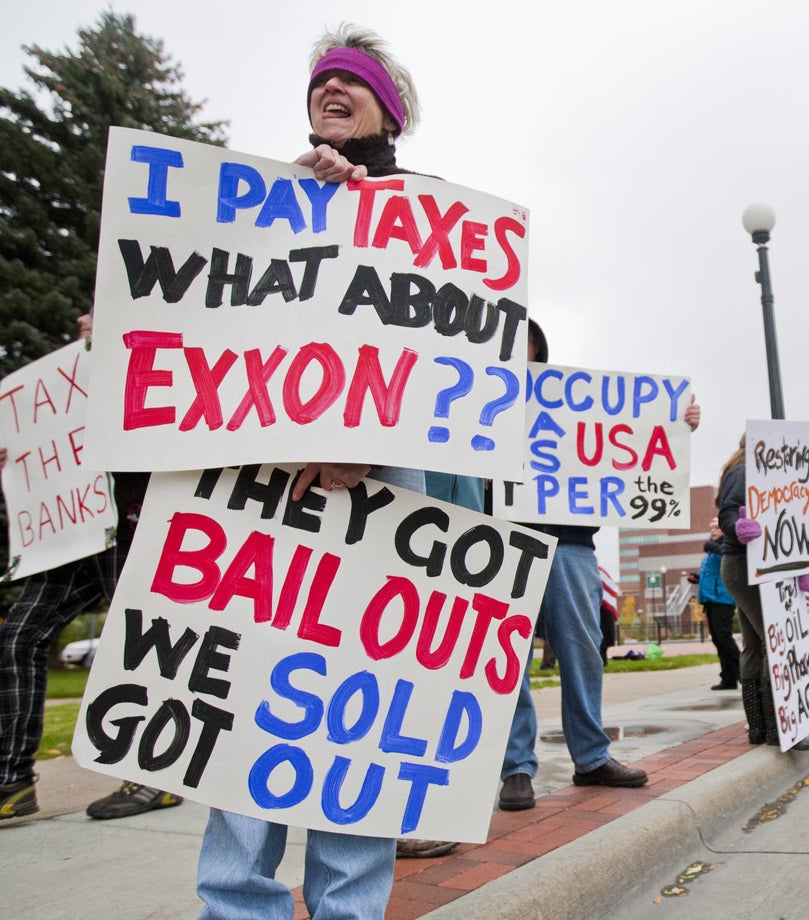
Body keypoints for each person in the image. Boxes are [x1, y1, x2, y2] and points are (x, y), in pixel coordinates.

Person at [195, 24, 484, 913]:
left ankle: (349, 906)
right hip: (272, 484)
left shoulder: (434, 212)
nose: (331, 88)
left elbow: (448, 355)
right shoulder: (262, 203)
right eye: (321, 79)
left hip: (386, 481)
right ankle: (234, 904)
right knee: (253, 691)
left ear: (389, 110)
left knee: (363, 699)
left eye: (351, 80)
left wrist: (368, 433)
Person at [498, 320, 703, 811]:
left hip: (570, 541)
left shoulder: (571, 404)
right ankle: (516, 767)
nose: (516, 353)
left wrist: (674, 424)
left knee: (583, 651)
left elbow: (626, 440)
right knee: (508, 658)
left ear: (539, 354)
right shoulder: (480, 402)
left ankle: (591, 757)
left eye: (525, 347)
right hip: (501, 537)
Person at [0, 319, 179, 823]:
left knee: (140, 643)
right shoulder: (73, 370)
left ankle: (155, 774)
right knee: (19, 638)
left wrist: (124, 324)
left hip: (128, 516)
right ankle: (12, 780)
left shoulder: (149, 329)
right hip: (76, 529)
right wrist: (16, 460)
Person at [715, 436, 809, 752]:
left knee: (756, 645)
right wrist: (739, 526)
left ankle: (762, 727)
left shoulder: (775, 477)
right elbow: (727, 513)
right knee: (774, 642)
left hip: (761, 565)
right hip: (744, 563)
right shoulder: (743, 471)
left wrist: (802, 564)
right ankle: (780, 728)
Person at [688, 518, 741, 691]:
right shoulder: (711, 551)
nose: (712, 531)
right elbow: (712, 574)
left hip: (722, 599)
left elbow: (726, 558)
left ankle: (744, 672)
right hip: (710, 599)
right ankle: (728, 678)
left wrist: (712, 546)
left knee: (724, 638)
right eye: (711, 528)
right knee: (718, 639)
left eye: (716, 527)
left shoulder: (728, 545)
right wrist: (697, 578)